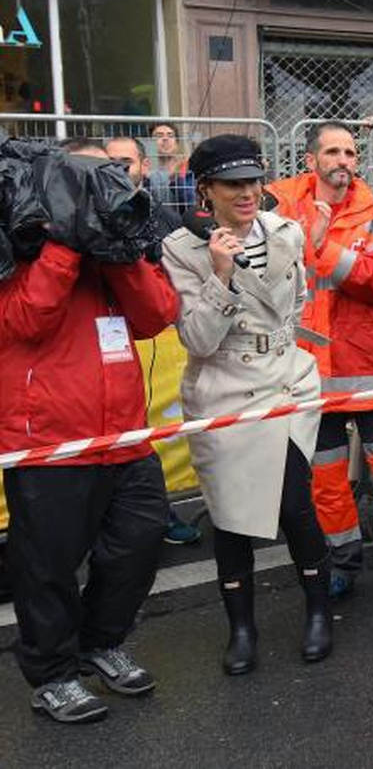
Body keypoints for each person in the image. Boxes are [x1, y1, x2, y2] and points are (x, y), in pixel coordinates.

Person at [1, 146, 179, 723]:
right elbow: (25, 318)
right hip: (50, 440)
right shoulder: (18, 242)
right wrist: (65, 243)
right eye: (87, 178)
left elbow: (156, 316)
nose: (104, 187)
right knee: (47, 566)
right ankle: (52, 674)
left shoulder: (116, 247)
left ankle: (100, 642)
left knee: (140, 544)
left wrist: (119, 251)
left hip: (124, 434)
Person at [160, 134, 333, 675]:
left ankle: (319, 612)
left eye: (253, 181)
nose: (247, 192)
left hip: (288, 384)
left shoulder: (286, 230)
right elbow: (198, 340)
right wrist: (221, 276)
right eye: (233, 184)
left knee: (295, 507)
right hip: (225, 391)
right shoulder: (180, 248)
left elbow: (295, 302)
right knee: (232, 520)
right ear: (205, 188)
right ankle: (241, 628)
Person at [270, 122, 373, 612]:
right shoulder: (280, 203)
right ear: (310, 160)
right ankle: (341, 562)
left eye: (351, 152)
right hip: (310, 375)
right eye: (334, 152)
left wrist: (322, 249)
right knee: (326, 482)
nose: (344, 160)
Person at [106, 135, 203, 546]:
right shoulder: (74, 218)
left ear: (145, 167)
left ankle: (159, 516)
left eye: (125, 163)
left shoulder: (163, 218)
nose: (116, 172)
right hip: (94, 351)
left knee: (142, 442)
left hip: (150, 344)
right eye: (108, 164)